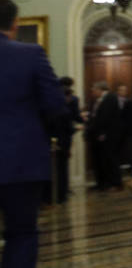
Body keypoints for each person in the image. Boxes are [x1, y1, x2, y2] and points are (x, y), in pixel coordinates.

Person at [0, 0, 66, 268]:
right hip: (21, 163)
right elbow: (55, 106)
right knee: (21, 237)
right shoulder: (29, 54)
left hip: (20, 161)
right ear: (14, 24)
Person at [85, 80, 123, 191]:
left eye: (93, 89)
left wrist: (100, 131)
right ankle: (101, 183)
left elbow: (105, 118)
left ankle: (116, 183)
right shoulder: (97, 100)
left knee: (111, 159)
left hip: (109, 136)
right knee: (100, 160)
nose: (92, 92)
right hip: (98, 135)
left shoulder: (111, 98)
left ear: (100, 90)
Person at [50, 76, 81, 204]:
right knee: (62, 169)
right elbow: (69, 127)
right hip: (64, 142)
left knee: (57, 168)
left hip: (54, 141)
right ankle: (62, 195)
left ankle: (58, 194)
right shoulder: (65, 110)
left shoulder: (53, 107)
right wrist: (77, 128)